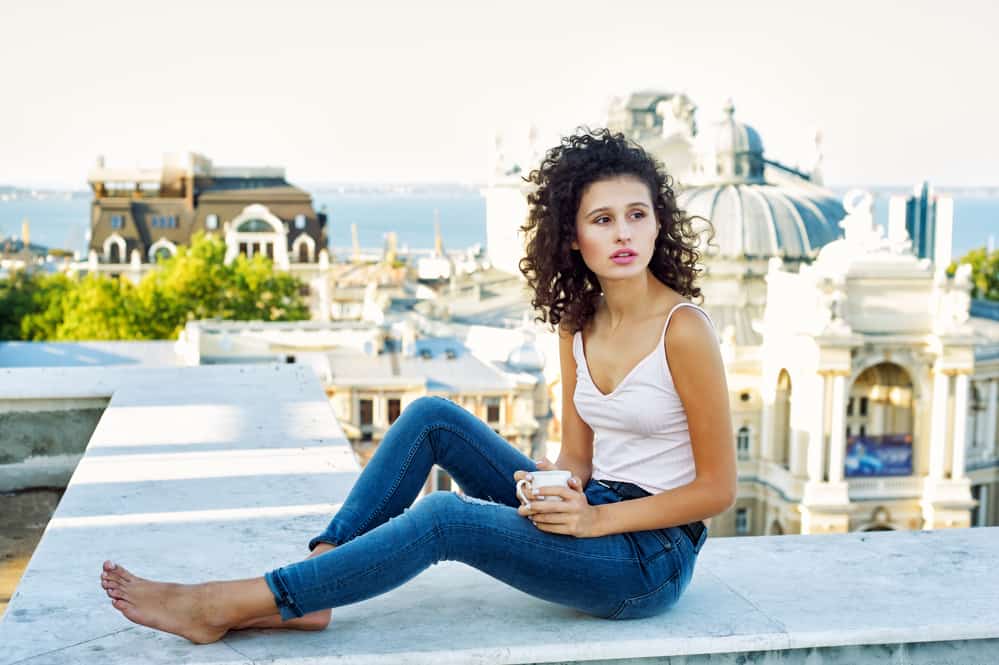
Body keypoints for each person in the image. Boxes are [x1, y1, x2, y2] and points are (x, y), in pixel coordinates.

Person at [99, 128, 736, 643]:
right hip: (594, 507)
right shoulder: (576, 324)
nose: (622, 233)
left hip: (650, 558)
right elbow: (578, 458)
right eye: (602, 219)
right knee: (431, 416)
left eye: (636, 214)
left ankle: (239, 600)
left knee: (444, 518)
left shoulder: (683, 331)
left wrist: (596, 520)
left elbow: (716, 490)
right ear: (573, 236)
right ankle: (321, 579)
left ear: (659, 225)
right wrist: (553, 485)